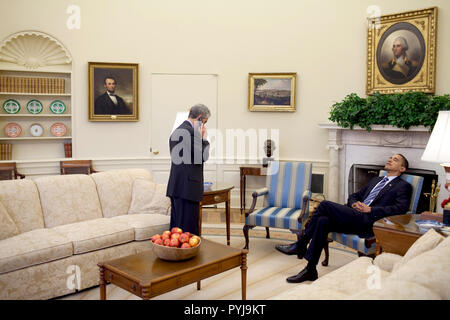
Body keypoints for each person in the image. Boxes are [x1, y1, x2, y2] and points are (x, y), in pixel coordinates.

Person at [276, 154, 412, 283]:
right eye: (390, 158)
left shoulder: (403, 186)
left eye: (395, 159)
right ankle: (310, 270)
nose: (390, 160)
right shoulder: (376, 180)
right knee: (322, 221)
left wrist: (371, 209)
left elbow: (400, 209)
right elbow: (355, 195)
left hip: (369, 221)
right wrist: (354, 203)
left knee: (324, 205)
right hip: (354, 216)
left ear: (402, 169)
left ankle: (301, 244)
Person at [166, 104, 210, 235]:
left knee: (177, 229)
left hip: (177, 187)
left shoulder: (178, 130)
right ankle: (189, 255)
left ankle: (176, 254)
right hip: (188, 189)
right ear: (200, 118)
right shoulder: (191, 133)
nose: (204, 126)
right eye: (205, 123)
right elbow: (203, 156)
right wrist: (204, 139)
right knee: (188, 232)